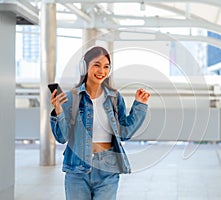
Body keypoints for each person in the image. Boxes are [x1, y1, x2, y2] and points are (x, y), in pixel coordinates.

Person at [50, 46, 150, 200]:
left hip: (108, 167)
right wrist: (58, 110)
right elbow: (62, 137)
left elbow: (124, 132)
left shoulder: (115, 98)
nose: (101, 71)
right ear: (85, 67)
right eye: (96, 65)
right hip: (77, 167)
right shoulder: (71, 97)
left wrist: (140, 105)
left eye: (106, 67)